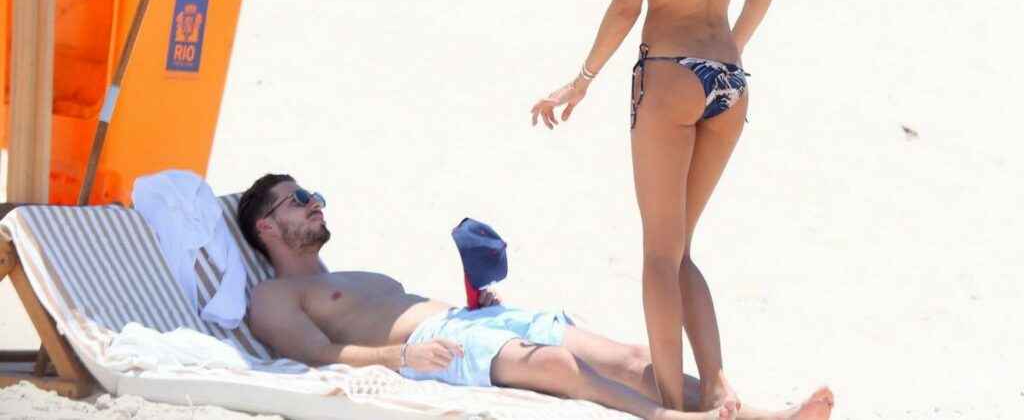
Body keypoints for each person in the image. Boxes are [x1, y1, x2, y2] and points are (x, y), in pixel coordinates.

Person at [530, 0, 797, 415]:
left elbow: (628, 4)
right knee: (681, 252)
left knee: (658, 252)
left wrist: (581, 80)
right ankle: (720, 389)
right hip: (728, 83)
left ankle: (676, 405)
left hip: (671, 74)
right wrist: (729, 49)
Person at [237, 174, 834, 420]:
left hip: (475, 318)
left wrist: (479, 299)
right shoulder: (272, 296)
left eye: (314, 195)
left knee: (633, 356)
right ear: (266, 226)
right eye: (299, 199)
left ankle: (763, 418)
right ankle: (669, 418)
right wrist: (401, 357)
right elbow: (318, 356)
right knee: (557, 365)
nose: (315, 203)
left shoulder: (352, 275)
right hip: (432, 346)